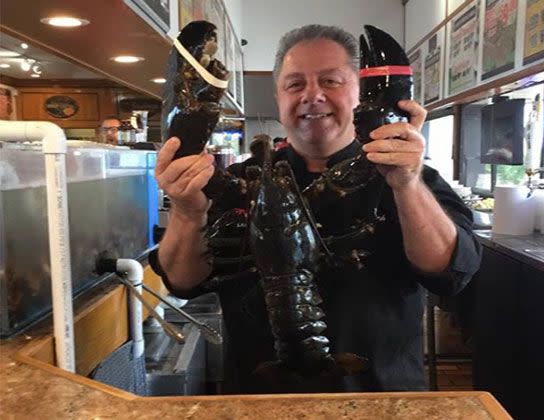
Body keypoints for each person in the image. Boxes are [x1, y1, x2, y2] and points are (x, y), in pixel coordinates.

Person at [150, 24, 481, 394]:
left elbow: (451, 272)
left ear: (359, 93)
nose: (312, 96)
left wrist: (405, 184)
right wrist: (187, 212)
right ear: (278, 97)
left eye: (331, 81)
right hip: (260, 399)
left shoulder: (411, 178)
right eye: (295, 84)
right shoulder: (230, 181)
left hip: (380, 398)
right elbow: (182, 281)